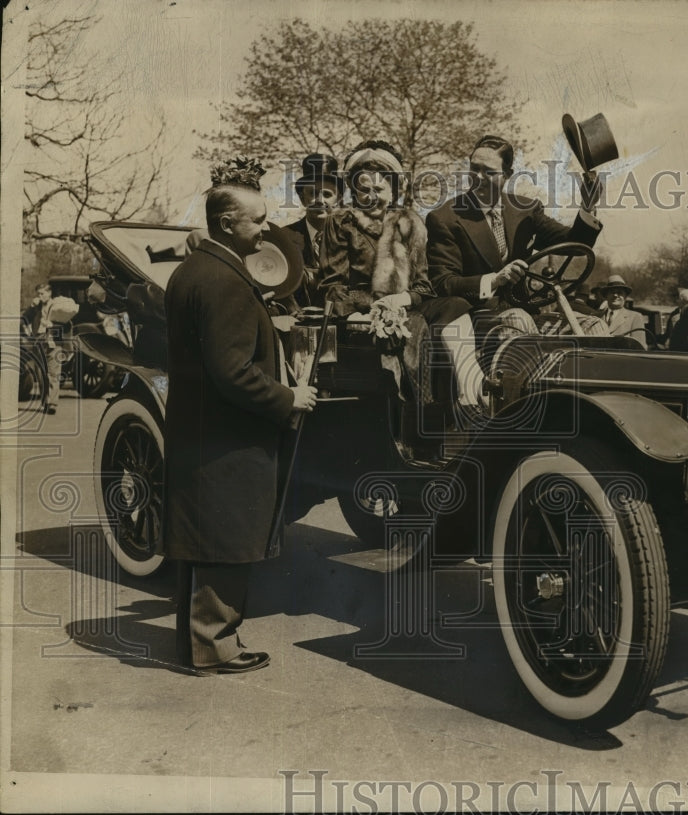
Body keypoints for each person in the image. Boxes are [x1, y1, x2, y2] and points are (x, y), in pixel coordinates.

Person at [164, 157, 317, 675]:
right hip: (228, 438)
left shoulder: (194, 270)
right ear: (228, 224)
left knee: (203, 539)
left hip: (202, 432)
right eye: (257, 221)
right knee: (225, 540)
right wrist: (286, 397)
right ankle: (215, 648)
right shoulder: (225, 280)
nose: (265, 229)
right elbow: (230, 370)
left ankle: (197, 646)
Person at [317, 140, 485, 413]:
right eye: (363, 190)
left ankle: (472, 390)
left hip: (405, 302)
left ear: (393, 189)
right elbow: (332, 285)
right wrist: (372, 306)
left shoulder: (411, 222)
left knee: (454, 305)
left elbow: (423, 285)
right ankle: (419, 413)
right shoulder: (340, 222)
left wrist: (401, 300)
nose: (371, 196)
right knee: (414, 326)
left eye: (379, 189)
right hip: (360, 307)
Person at [425, 134, 604, 337]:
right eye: (474, 169)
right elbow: (443, 283)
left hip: (526, 316)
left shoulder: (526, 211)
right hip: (476, 320)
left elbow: (576, 245)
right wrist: (494, 280)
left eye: (489, 172)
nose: (479, 178)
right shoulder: (445, 218)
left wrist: (588, 206)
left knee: (593, 326)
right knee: (517, 320)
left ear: (507, 174)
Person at [281, 153, 343, 309]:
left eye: (327, 194)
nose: (320, 200)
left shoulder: (348, 239)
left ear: (338, 200)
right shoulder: (284, 238)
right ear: (303, 199)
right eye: (313, 193)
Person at [21, 282, 72, 414]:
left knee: (53, 374)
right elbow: (24, 319)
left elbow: (67, 326)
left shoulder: (57, 307)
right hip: (39, 343)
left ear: (49, 293)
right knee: (41, 374)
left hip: (54, 343)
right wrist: (31, 307)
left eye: (42, 293)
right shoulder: (36, 308)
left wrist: (52, 325)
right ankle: (46, 402)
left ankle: (53, 404)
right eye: (38, 294)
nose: (40, 296)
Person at [597, 274, 648, 348]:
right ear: (606, 295)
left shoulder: (635, 317)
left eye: (619, 292)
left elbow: (640, 348)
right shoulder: (597, 317)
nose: (615, 295)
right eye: (612, 292)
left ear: (625, 297)